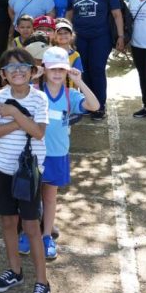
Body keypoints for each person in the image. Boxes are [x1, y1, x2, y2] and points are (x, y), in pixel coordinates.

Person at [0, 47, 50, 293]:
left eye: (23, 66)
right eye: (11, 67)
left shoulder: (39, 98)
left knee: (32, 226)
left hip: (28, 173)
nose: (17, 71)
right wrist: (19, 120)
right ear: (3, 74)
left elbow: (38, 132)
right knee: (8, 222)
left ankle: (42, 282)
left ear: (33, 72)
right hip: (1, 167)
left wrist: (13, 113)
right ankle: (15, 271)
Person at [33, 47, 99, 261]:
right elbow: (11, 99)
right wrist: (32, 78)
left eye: (61, 69)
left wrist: (79, 81)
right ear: (44, 69)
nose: (57, 73)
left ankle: (46, 236)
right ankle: (28, 232)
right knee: (30, 196)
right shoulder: (34, 91)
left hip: (57, 154)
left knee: (50, 197)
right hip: (33, 154)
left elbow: (94, 105)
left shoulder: (71, 95)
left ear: (67, 71)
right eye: (52, 69)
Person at [65, 0, 125, 121]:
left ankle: (99, 106)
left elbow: (117, 15)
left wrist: (121, 36)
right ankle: (87, 104)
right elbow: (69, 14)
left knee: (97, 69)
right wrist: (67, 34)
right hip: (80, 37)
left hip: (101, 37)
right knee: (83, 71)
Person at [51, 18, 83, 89]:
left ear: (72, 35)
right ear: (55, 37)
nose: (63, 36)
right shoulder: (50, 53)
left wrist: (75, 93)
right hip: (52, 90)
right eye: (59, 33)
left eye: (66, 33)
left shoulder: (76, 55)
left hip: (69, 91)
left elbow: (78, 77)